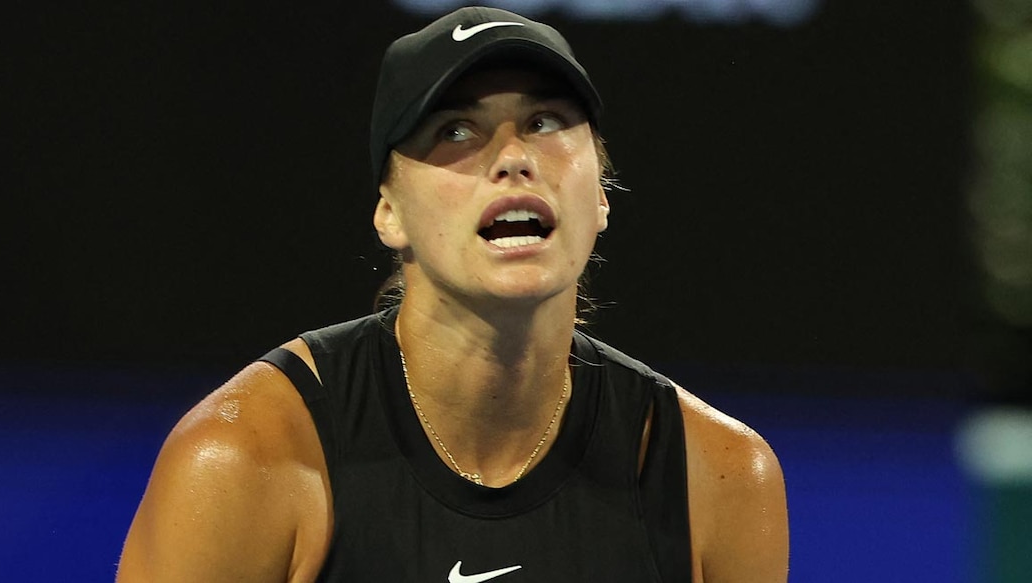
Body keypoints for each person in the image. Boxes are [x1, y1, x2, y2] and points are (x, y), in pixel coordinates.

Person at [116, 6, 788, 582]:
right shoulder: (241, 461)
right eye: (455, 131)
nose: (513, 156)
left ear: (602, 193)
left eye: (547, 122)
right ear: (389, 213)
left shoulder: (719, 477)